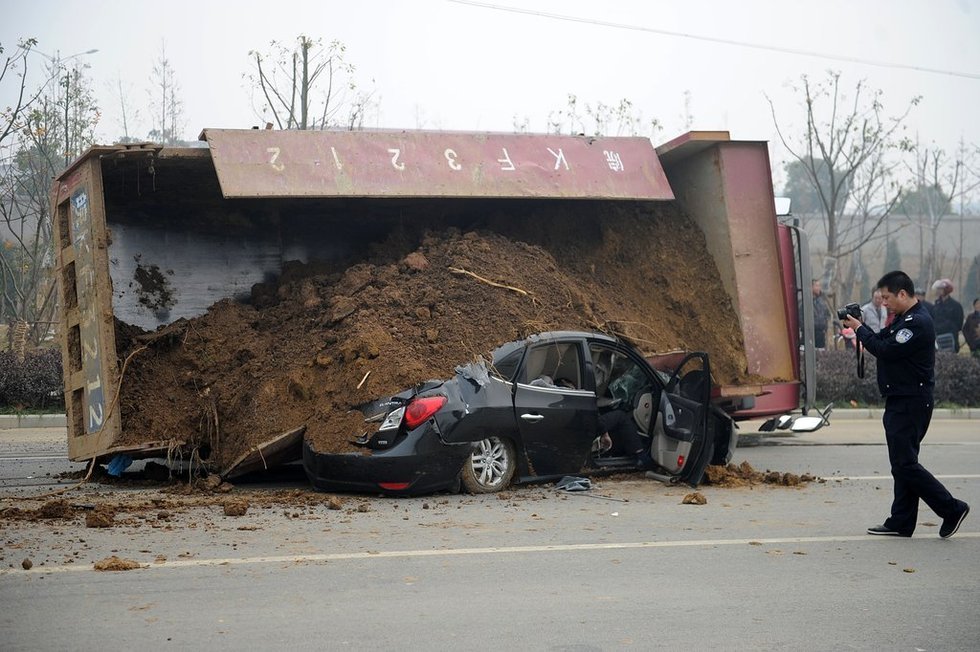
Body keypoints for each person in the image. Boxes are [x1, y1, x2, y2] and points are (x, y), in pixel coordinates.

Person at [843, 270, 969, 538]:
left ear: (902, 293)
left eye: (887, 297)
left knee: (905, 465)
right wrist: (863, 326)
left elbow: (886, 350)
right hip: (902, 398)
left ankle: (952, 508)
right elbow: (882, 341)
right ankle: (901, 521)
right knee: (903, 462)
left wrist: (859, 330)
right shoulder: (903, 319)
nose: (884, 302)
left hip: (911, 401)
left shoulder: (917, 323)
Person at [930, 279, 964, 352]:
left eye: (941, 289)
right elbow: (933, 319)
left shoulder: (956, 306)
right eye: (938, 289)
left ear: (947, 290)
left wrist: (949, 327)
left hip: (950, 337)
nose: (938, 291)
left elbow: (959, 324)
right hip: (937, 337)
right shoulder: (936, 304)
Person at [811, 279, 831, 349]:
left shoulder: (822, 301)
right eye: (816, 286)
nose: (818, 288)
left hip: (821, 335)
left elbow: (827, 314)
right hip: (811, 334)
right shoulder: (805, 302)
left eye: (819, 286)